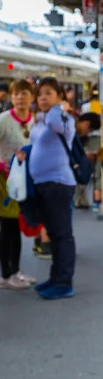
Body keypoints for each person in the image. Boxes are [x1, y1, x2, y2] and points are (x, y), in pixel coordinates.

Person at [29, 77, 79, 300]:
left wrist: (58, 108)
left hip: (58, 182)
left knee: (62, 234)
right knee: (53, 233)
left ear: (59, 96)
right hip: (42, 183)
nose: (43, 98)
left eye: (48, 93)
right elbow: (38, 144)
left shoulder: (62, 118)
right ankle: (55, 277)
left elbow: (56, 126)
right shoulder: (41, 121)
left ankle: (64, 282)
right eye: (40, 94)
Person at [0, 80, 36, 289]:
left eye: (24, 94)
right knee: (8, 225)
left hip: (26, 179)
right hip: (5, 179)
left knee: (18, 224)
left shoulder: (35, 121)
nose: (20, 98)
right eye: (16, 94)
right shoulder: (4, 120)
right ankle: (7, 273)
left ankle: (16, 270)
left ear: (31, 97)